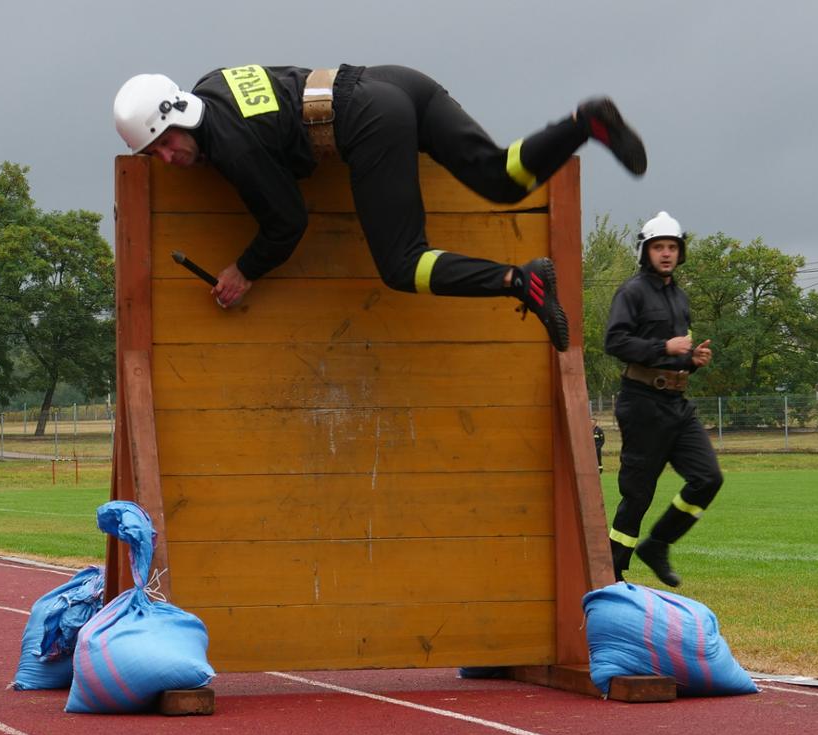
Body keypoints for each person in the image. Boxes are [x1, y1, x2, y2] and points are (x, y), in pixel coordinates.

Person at [113, 65, 651, 351]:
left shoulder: (231, 149)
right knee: (502, 178)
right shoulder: (211, 84)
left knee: (401, 265)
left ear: (181, 116)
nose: (167, 158)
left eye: (166, 144)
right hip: (397, 82)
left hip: (368, 119)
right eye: (153, 154)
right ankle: (586, 123)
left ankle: (521, 281)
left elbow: (288, 221)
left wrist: (244, 270)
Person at [602, 212, 721, 587]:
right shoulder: (631, 292)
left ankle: (657, 545)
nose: (666, 253)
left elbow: (675, 356)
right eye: (659, 247)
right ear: (645, 251)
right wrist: (664, 346)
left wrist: (691, 361)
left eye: (672, 247)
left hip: (677, 406)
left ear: (680, 252)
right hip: (641, 404)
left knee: (708, 479)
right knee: (638, 495)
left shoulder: (680, 298)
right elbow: (614, 342)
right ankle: (611, 571)